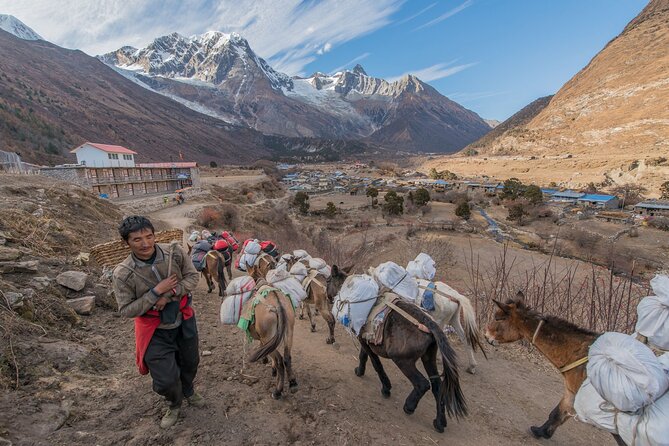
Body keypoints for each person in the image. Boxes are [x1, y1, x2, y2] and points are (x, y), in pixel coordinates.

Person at [112, 216, 204, 429]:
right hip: (154, 330)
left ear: (155, 235)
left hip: (183, 319)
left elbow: (192, 277)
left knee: (190, 362)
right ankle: (173, 402)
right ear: (126, 242)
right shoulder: (123, 274)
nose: (145, 244)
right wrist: (155, 292)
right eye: (137, 240)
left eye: (149, 236)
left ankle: (188, 390)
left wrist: (170, 292)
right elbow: (126, 310)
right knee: (165, 380)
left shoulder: (174, 253)